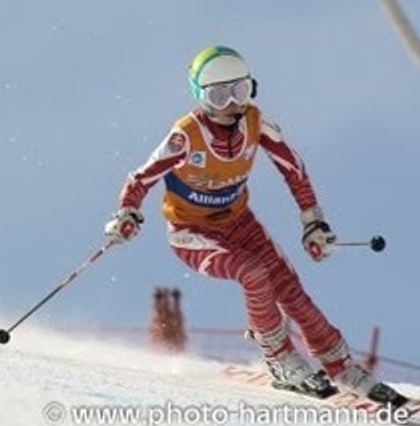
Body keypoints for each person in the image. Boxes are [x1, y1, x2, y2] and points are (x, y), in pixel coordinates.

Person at [103, 45, 405, 405]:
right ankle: (279, 359)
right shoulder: (186, 135)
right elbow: (140, 178)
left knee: (291, 291)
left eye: (240, 91)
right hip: (192, 234)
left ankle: (341, 367)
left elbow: (293, 168)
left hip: (241, 223)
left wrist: (313, 222)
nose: (232, 103)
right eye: (219, 95)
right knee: (252, 272)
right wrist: (127, 213)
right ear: (202, 97)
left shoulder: (255, 122)